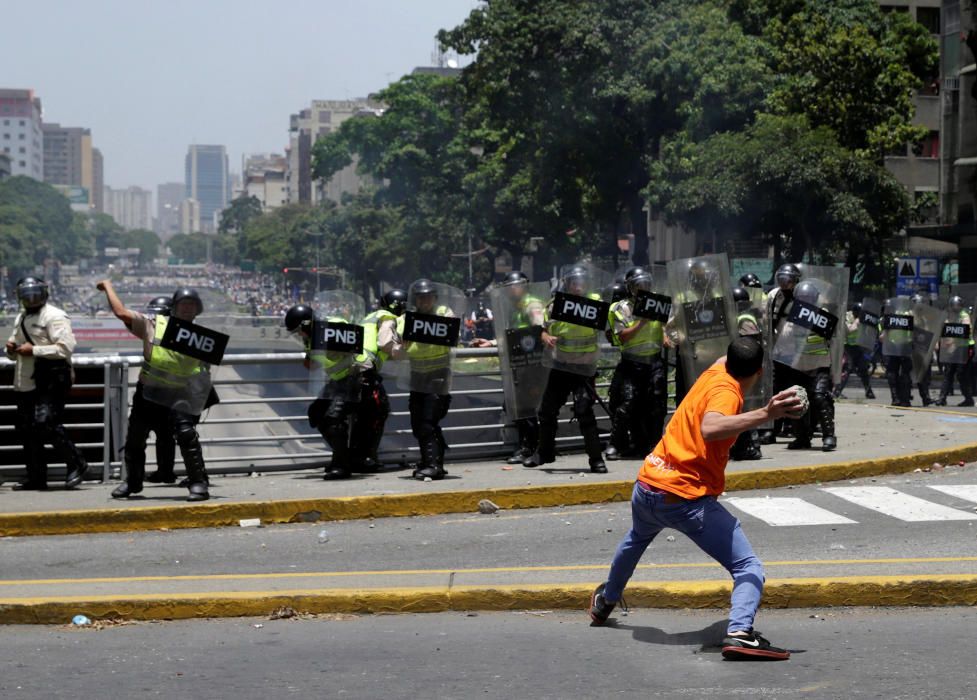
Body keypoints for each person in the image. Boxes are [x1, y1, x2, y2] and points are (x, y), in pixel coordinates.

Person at [589, 337, 803, 660]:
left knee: (635, 539)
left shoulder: (715, 370)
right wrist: (767, 413)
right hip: (684, 498)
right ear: (759, 372)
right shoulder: (727, 391)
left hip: (648, 485)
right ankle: (740, 633)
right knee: (748, 566)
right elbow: (711, 427)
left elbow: (732, 356)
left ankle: (605, 601)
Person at [98, 281, 213, 501]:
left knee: (187, 436)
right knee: (135, 439)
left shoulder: (202, 337)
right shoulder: (153, 325)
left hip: (181, 394)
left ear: (198, 309)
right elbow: (121, 313)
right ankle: (132, 482)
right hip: (148, 393)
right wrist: (108, 286)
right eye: (183, 305)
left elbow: (204, 371)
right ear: (174, 307)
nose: (187, 309)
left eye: (192, 305)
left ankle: (198, 483)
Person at [5, 277, 89, 490]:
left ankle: (77, 463)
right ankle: (36, 477)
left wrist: (34, 350)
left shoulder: (55, 316)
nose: (31, 299)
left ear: (44, 294)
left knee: (46, 423)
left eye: (35, 294)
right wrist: (11, 349)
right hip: (26, 380)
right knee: (28, 429)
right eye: (26, 295)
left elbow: (65, 349)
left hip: (51, 378)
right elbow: (15, 355)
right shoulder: (21, 317)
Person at [524, 265, 607, 473]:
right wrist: (546, 337)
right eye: (573, 282)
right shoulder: (556, 305)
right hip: (561, 367)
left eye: (581, 282)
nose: (577, 286)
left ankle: (596, 459)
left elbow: (605, 325)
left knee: (584, 411)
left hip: (585, 369)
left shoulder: (595, 303)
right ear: (567, 284)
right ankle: (544, 453)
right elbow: (542, 329)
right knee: (547, 411)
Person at [473, 272, 546, 464]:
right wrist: (490, 342)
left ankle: (530, 449)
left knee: (527, 409)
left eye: (514, 286)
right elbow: (514, 337)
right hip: (520, 364)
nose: (511, 290)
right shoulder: (515, 308)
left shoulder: (532, 305)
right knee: (517, 407)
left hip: (532, 366)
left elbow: (539, 330)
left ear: (523, 286)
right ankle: (527, 447)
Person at [286, 303, 363, 480]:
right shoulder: (310, 340)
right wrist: (309, 352)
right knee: (317, 413)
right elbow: (311, 366)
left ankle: (342, 465)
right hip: (336, 382)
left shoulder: (333, 324)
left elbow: (355, 341)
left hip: (352, 378)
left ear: (306, 324)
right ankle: (341, 456)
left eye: (299, 330)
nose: (299, 335)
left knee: (333, 420)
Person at [605, 267, 667, 461]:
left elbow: (667, 324)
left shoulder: (657, 301)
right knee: (627, 405)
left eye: (646, 284)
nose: (643, 289)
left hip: (655, 361)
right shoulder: (621, 308)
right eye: (638, 286)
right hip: (632, 363)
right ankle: (615, 444)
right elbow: (621, 336)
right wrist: (642, 322)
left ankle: (655, 445)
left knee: (657, 405)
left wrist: (668, 336)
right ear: (630, 288)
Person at [404, 279, 457, 481]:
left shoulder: (443, 312)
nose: (425, 301)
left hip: (439, 375)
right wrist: (399, 341)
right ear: (415, 299)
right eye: (421, 297)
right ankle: (428, 460)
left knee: (428, 421)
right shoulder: (408, 317)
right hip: (417, 376)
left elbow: (453, 330)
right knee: (418, 423)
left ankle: (435, 465)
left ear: (435, 298)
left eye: (428, 297)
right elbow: (396, 341)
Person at [349, 289, 407, 472]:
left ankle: (357, 457)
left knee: (361, 416)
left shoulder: (371, 316)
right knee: (377, 412)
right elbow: (384, 343)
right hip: (366, 372)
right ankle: (366, 458)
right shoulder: (388, 318)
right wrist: (403, 353)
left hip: (353, 369)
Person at [140, 296, 178, 484]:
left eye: (160, 315)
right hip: (150, 388)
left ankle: (166, 472)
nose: (155, 319)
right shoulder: (151, 327)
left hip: (168, 389)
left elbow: (151, 355)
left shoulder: (176, 332)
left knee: (165, 434)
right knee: (151, 434)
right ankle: (155, 473)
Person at [762, 263, 801, 443]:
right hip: (777, 350)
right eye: (782, 279)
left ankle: (796, 429)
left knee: (795, 391)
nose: (785, 283)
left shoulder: (803, 295)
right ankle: (773, 428)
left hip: (798, 352)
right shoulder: (773, 295)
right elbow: (767, 320)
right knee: (776, 391)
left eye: (788, 280)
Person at [729, 286, 763, 460]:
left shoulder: (745, 319)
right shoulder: (739, 317)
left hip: (746, 370)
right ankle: (743, 447)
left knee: (745, 408)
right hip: (743, 369)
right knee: (741, 409)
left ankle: (751, 447)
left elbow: (750, 346)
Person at [936, 295, 974, 406]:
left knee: (962, 374)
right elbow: (945, 330)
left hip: (965, 348)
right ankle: (942, 398)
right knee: (948, 373)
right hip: (952, 349)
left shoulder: (964, 316)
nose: (955, 308)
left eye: (957, 305)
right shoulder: (950, 316)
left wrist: (953, 342)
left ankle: (968, 398)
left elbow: (965, 330)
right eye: (953, 305)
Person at [834, 302, 876, 400]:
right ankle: (837, 391)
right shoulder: (847, 317)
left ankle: (868, 391)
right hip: (846, 346)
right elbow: (849, 330)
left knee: (863, 369)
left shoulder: (863, 318)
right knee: (847, 368)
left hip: (857, 347)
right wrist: (856, 322)